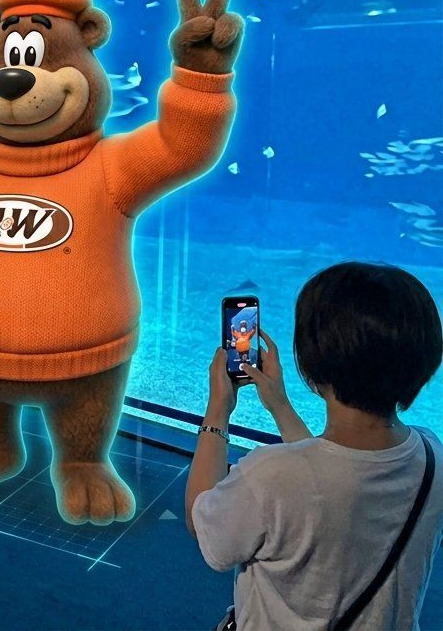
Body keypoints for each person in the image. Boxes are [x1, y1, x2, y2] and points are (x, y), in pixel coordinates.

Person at [185, 262, 443, 630]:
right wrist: (279, 405)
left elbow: (204, 522)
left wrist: (218, 409)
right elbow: (335, 473)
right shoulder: (433, 458)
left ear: (311, 364)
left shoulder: (271, 475)